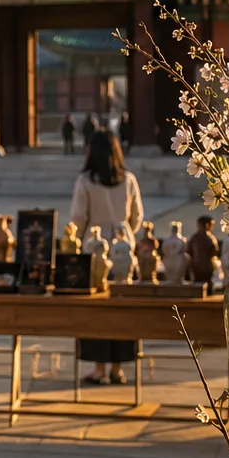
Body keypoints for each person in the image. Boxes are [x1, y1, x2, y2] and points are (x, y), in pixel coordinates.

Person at [69, 131, 144, 385]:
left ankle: (99, 368)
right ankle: (118, 367)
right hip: (123, 248)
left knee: (96, 307)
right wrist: (124, 234)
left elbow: (78, 217)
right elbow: (137, 217)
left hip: (94, 247)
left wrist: (75, 241)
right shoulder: (129, 180)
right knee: (123, 307)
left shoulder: (86, 181)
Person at [184, 215, 221, 285]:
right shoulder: (210, 238)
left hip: (196, 265)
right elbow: (215, 251)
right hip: (207, 266)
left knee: (198, 284)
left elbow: (188, 250)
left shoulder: (194, 237)